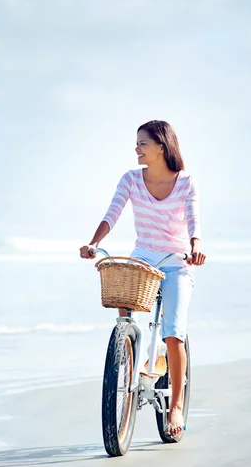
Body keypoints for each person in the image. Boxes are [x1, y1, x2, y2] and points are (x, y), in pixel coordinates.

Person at [80, 120, 206, 440]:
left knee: (173, 333)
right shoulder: (131, 180)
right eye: (137, 143)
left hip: (177, 262)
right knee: (124, 307)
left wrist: (196, 248)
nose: (136, 149)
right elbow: (112, 214)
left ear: (161, 147)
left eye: (142, 143)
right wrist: (94, 243)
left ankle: (175, 405)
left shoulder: (186, 182)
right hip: (144, 257)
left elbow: (193, 222)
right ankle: (130, 355)